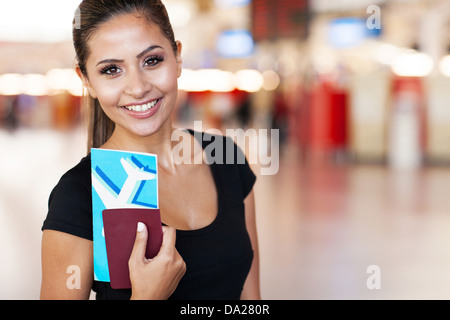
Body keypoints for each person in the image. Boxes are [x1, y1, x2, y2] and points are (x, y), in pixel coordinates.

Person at [40, 0, 260, 300]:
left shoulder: (226, 157)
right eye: (112, 69)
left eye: (152, 61)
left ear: (177, 57)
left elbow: (251, 298)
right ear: (86, 81)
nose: (138, 87)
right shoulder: (78, 195)